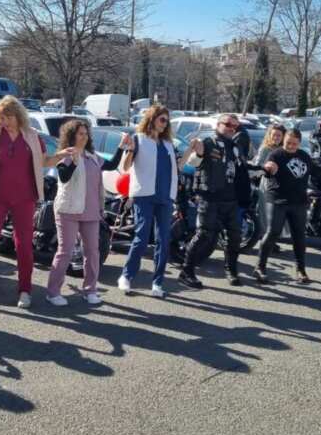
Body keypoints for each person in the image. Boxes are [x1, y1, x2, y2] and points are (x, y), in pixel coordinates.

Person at [0, 95, 66, 310]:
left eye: (9, 117)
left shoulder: (33, 136)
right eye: (1, 117)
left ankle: (25, 291)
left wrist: (60, 155)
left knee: (23, 245)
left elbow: (44, 162)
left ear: (19, 116)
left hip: (24, 197)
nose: (5, 122)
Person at [46, 120, 128, 306]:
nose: (84, 137)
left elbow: (111, 164)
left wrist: (121, 147)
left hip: (91, 211)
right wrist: (74, 162)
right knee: (65, 252)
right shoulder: (66, 154)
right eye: (80, 133)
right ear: (71, 136)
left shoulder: (92, 156)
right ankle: (52, 292)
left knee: (92, 252)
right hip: (68, 210)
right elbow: (64, 177)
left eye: (86, 133)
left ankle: (90, 290)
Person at [178, 113, 250, 288]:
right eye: (228, 124)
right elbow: (193, 162)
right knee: (204, 235)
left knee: (234, 237)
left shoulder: (235, 147)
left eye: (235, 126)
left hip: (231, 199)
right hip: (210, 198)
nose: (232, 128)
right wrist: (197, 152)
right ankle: (186, 271)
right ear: (218, 125)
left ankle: (231, 271)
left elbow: (243, 168)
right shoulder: (208, 142)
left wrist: (264, 170)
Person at [117, 105, 179, 297]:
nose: (165, 124)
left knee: (163, 241)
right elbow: (125, 167)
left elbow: (177, 167)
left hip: (165, 197)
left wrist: (194, 152)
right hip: (144, 195)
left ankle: (157, 283)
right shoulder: (139, 139)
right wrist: (129, 150)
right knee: (142, 238)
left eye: (167, 121)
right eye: (162, 119)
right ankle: (126, 276)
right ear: (152, 119)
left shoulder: (168, 144)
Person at [256, 128, 313, 284]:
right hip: (278, 200)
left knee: (299, 236)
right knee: (272, 232)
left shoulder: (304, 156)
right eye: (288, 142)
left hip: (299, 201)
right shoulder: (276, 154)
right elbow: (269, 169)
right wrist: (269, 169)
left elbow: (316, 171)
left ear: (299, 143)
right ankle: (260, 267)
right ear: (284, 141)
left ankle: (301, 270)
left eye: (294, 143)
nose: (291, 146)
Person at [254, 123, 286, 253]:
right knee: (266, 214)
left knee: (277, 215)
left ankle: (271, 241)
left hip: (281, 185)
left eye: (279, 135)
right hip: (267, 184)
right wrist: (267, 169)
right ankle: (266, 243)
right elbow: (258, 166)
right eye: (274, 135)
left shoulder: (284, 149)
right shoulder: (265, 149)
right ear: (270, 135)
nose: (276, 137)